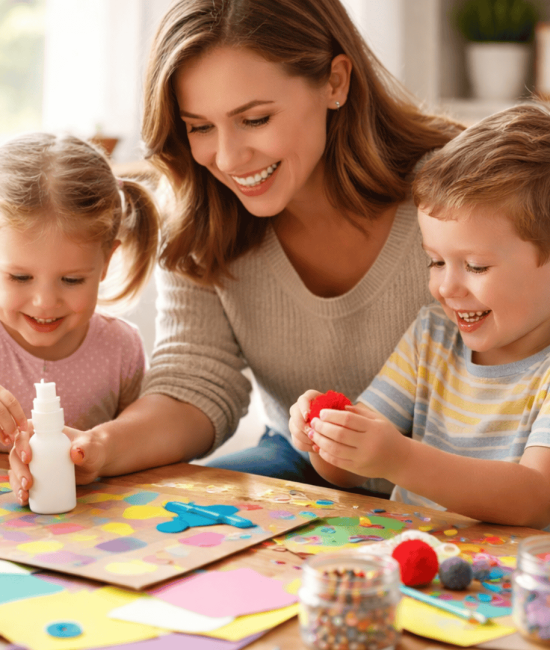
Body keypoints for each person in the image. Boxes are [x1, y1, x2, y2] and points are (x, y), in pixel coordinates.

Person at [9, 0, 462, 504]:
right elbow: (194, 381)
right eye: (200, 127)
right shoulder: (199, 222)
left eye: (255, 119)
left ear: (335, 82)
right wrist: (97, 448)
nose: (226, 158)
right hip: (299, 461)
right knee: (179, 515)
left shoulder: (467, 189)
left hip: (467, 466)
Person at [289, 103, 550, 529]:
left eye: (476, 266)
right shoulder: (431, 336)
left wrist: (399, 458)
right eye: (435, 262)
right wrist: (328, 439)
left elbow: (534, 498)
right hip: (413, 562)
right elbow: (351, 469)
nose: (447, 287)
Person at [0, 133, 159, 474]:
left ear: (106, 260)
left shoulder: (120, 349)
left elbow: (144, 455)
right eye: (19, 278)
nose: (44, 302)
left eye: (71, 280)